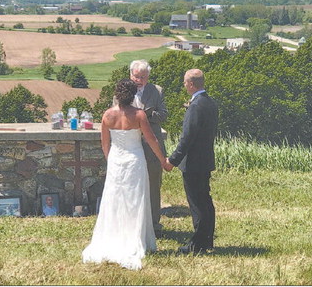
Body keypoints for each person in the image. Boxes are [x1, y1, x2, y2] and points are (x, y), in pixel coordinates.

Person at [83, 79, 167, 270]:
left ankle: (114, 235)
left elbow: (105, 143)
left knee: (114, 199)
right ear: (132, 96)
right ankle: (136, 236)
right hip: (135, 160)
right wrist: (163, 160)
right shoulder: (138, 115)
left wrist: (110, 159)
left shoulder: (107, 115)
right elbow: (152, 139)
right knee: (136, 199)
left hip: (116, 160)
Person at [164, 69, 218, 254]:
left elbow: (187, 138)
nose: (184, 85)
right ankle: (207, 240)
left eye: (185, 82)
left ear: (191, 84)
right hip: (205, 159)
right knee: (205, 201)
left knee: (197, 203)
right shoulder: (210, 102)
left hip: (194, 162)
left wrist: (172, 160)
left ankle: (198, 244)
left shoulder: (195, 106)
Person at [129, 60, 168, 238]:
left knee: (153, 186)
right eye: (137, 76)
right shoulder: (122, 90)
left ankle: (154, 225)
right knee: (131, 186)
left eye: (143, 77)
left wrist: (149, 115)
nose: (139, 80)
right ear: (131, 74)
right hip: (130, 144)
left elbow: (164, 115)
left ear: (148, 77)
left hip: (152, 145)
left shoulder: (157, 91)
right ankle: (132, 223)